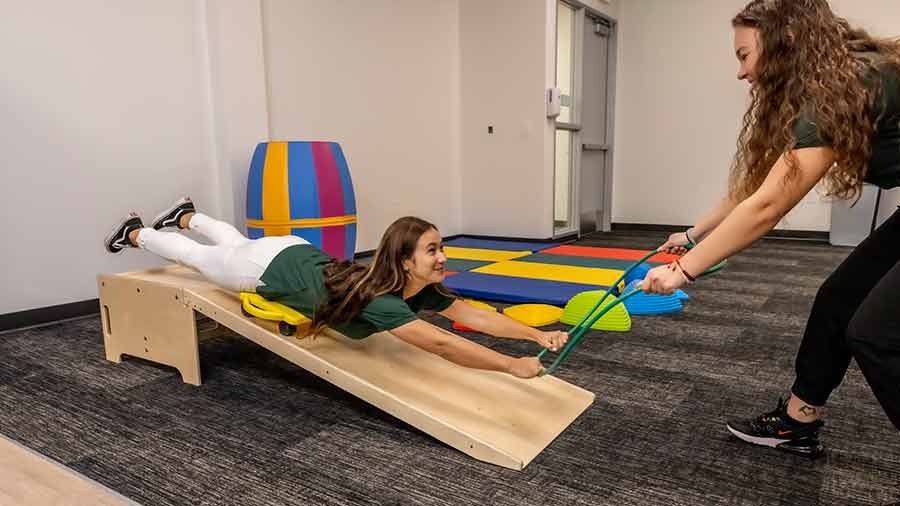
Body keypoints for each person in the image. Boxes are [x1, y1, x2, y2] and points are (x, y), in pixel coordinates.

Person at [643, 0, 900, 457]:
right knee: (838, 299)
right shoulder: (832, 84)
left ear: (788, 40)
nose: (741, 72)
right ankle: (797, 422)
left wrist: (683, 271)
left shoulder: (852, 82)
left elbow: (769, 205)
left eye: (744, 55)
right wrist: (692, 235)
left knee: (875, 334)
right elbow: (757, 185)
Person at [104, 197, 567, 379]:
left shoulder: (414, 283)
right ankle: (137, 233)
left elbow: (472, 315)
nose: (442, 257)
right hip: (267, 268)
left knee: (232, 244)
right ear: (406, 261)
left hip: (290, 250)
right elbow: (442, 344)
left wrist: (535, 336)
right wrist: (510, 366)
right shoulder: (383, 299)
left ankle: (187, 215)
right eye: (432, 250)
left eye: (440, 246)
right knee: (199, 258)